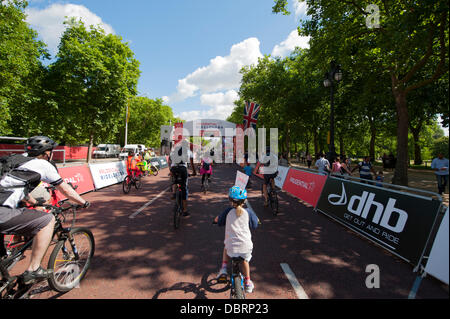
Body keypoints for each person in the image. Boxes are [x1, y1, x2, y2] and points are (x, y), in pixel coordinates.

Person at [0, 136, 90, 284]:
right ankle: (34, 269)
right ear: (47, 153)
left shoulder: (15, 159)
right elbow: (65, 190)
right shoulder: (43, 164)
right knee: (48, 220)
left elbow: (15, 188)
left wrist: (34, 202)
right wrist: (83, 202)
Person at [214, 186, 259, 293]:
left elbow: (219, 222)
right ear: (244, 200)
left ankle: (224, 269)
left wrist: (216, 220)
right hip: (245, 247)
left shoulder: (227, 211)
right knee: (244, 260)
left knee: (226, 247)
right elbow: (255, 225)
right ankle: (247, 282)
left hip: (231, 247)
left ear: (230, 199)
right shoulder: (248, 212)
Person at [168, 139, 197, 216]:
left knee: (175, 181)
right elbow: (192, 163)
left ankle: (174, 193)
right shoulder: (189, 151)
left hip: (174, 168)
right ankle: (185, 210)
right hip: (182, 169)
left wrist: (170, 170)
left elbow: (169, 160)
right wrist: (194, 172)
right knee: (184, 188)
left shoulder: (175, 150)